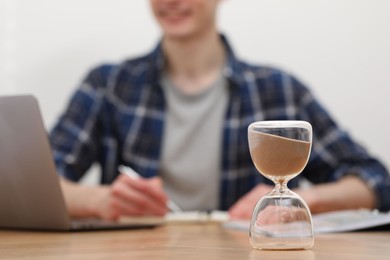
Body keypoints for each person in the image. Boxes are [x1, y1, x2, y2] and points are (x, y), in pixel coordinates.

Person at [50, 0, 390, 221]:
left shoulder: (279, 90)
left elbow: (375, 182)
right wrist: (99, 200)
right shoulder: (108, 85)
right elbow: (39, 183)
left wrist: (297, 201)